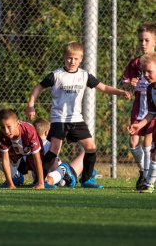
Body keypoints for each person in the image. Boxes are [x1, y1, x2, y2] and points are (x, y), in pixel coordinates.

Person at [25, 41, 132, 188]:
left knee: (91, 147)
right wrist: (31, 105)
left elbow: (104, 87)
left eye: (76, 58)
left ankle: (86, 179)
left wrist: (120, 92)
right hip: (59, 119)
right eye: (69, 58)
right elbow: (38, 88)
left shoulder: (84, 75)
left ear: (81, 58)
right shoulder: (56, 75)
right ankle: (40, 180)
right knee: (54, 149)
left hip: (76, 119)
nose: (72, 61)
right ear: (64, 58)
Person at [122, 22, 156, 190]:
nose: (143, 43)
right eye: (141, 40)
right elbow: (125, 81)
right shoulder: (136, 63)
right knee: (133, 141)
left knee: (148, 142)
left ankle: (148, 177)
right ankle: (144, 172)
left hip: (152, 107)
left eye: (147, 40)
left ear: (154, 42)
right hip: (141, 106)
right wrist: (130, 83)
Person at [0, 108, 45, 189]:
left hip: (32, 156)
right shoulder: (3, 134)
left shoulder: (28, 131)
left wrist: (41, 184)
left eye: (9, 126)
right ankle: (15, 177)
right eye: (2, 127)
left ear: (17, 123)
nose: (6, 131)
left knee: (39, 180)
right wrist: (10, 184)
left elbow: (37, 158)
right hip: (18, 154)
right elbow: (5, 159)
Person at [128, 52, 156, 193]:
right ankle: (148, 184)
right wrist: (139, 125)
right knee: (154, 154)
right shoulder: (151, 88)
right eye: (144, 71)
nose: (146, 74)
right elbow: (152, 113)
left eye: (150, 71)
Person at [32, 117, 85, 188]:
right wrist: (58, 179)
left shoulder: (31, 144)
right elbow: (54, 165)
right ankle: (67, 169)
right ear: (47, 132)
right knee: (87, 152)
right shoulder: (49, 144)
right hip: (53, 178)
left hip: (37, 177)